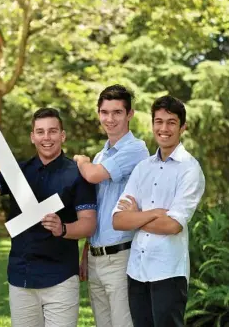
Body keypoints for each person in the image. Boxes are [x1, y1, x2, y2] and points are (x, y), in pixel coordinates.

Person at [0, 108, 97, 327]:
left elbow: (89, 223)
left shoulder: (76, 174)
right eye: (40, 132)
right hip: (21, 276)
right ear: (32, 136)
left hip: (61, 278)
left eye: (52, 131)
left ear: (62, 136)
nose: (46, 138)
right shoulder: (17, 171)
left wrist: (63, 228)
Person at [112, 95, 205, 327]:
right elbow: (118, 219)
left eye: (171, 122)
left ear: (183, 127)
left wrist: (136, 216)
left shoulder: (190, 169)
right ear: (153, 124)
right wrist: (155, 214)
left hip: (168, 271)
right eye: (159, 121)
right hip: (137, 270)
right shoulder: (143, 168)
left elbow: (173, 225)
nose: (164, 128)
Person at [73, 85, 149, 327]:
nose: (110, 119)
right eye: (105, 112)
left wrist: (79, 159)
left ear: (130, 115)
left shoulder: (136, 149)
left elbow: (93, 175)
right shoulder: (101, 156)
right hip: (96, 256)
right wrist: (87, 250)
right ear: (98, 114)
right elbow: (98, 207)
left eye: (117, 112)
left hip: (121, 256)